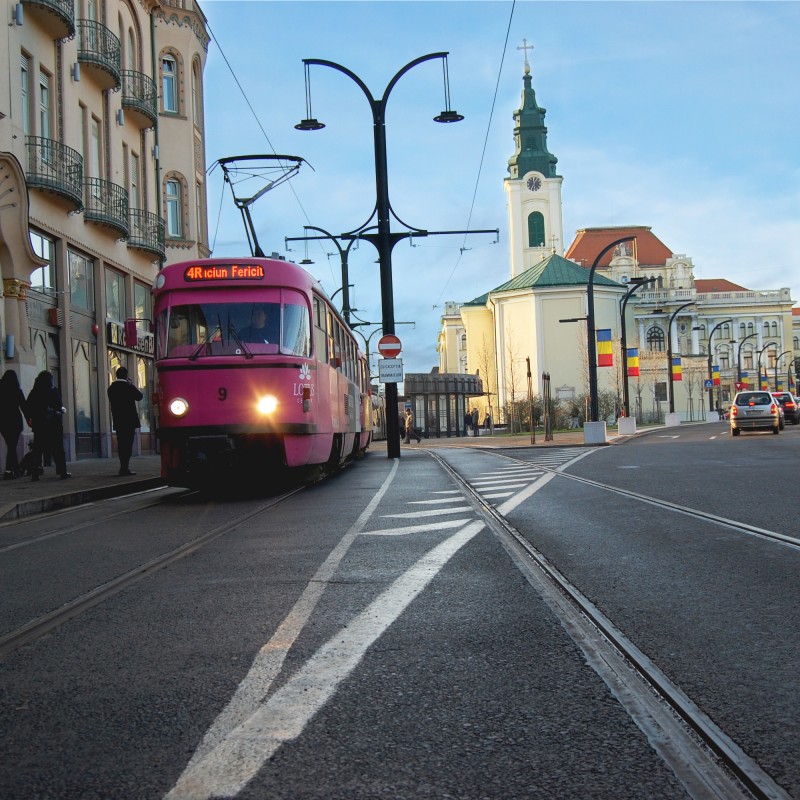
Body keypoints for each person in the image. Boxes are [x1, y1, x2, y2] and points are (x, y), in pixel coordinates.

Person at [26, 370, 69, 480]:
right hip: (53, 424)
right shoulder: (53, 391)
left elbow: (28, 407)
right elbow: (59, 405)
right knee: (58, 448)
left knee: (38, 449)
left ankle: (35, 473)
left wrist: (31, 419)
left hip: (39, 425)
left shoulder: (34, 392)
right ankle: (62, 471)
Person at [107, 366, 143, 476]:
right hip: (129, 420)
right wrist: (131, 384)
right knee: (128, 444)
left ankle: (122, 466)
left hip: (118, 420)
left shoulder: (111, 388)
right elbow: (139, 396)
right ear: (126, 376)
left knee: (121, 443)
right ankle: (125, 468)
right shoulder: (128, 387)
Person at [0, 370, 27, 479]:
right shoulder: (17, 390)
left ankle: (13, 470)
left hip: (3, 422)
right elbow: (24, 406)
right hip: (15, 422)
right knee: (12, 446)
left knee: (11, 446)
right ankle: (9, 471)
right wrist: (30, 419)